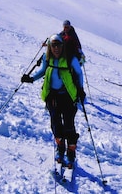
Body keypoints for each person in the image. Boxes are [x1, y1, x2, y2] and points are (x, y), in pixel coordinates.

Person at [22, 34, 85, 169]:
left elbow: (79, 73)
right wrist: (31, 79)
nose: (56, 48)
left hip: (68, 96)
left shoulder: (70, 59)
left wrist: (81, 89)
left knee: (68, 125)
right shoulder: (47, 58)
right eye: (53, 45)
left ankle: (71, 152)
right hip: (53, 96)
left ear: (62, 45)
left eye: (58, 45)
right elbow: (42, 71)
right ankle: (60, 148)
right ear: (50, 47)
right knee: (56, 124)